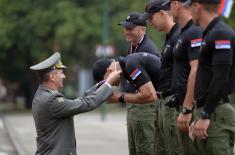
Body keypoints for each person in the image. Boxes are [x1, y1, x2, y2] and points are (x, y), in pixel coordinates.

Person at [30, 52, 121, 155]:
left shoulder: (43, 95)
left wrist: (103, 84)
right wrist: (108, 83)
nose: (63, 76)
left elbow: (79, 101)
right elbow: (85, 104)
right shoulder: (51, 100)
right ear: (52, 76)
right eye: (61, 73)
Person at [187, 0, 235, 154]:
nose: (189, 11)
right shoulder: (209, 33)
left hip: (216, 112)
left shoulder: (221, 33)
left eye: (190, 7)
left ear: (197, 7)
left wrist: (206, 114)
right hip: (208, 110)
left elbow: (220, 77)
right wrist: (199, 113)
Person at [93, 52, 161, 155]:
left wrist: (121, 97)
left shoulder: (130, 65)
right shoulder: (127, 65)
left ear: (109, 71)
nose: (109, 85)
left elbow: (150, 95)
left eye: (106, 82)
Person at [139, 0, 182, 154]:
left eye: (151, 18)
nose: (150, 23)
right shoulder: (170, 36)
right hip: (164, 103)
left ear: (162, 13)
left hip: (174, 103)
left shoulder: (179, 35)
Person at [117, 12, 160, 155]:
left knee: (146, 149)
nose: (127, 31)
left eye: (131, 28)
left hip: (146, 109)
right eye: (125, 27)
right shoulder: (132, 48)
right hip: (136, 107)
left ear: (143, 29)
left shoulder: (148, 49)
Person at [168, 0, 203, 154]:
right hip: (183, 105)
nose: (168, 10)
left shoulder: (194, 31)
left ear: (176, 4)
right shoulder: (183, 32)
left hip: (191, 108)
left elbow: (196, 69)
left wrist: (188, 108)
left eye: (169, 5)